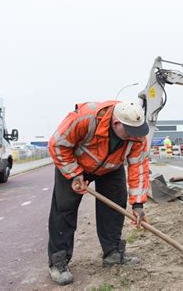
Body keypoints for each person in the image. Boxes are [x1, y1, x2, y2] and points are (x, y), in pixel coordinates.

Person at [47, 101, 150, 285]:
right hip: (75, 164)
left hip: (111, 168)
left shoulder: (136, 133)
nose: (134, 136)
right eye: (129, 132)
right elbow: (57, 145)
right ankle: (58, 262)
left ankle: (113, 253)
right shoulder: (85, 118)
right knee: (64, 210)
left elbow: (139, 167)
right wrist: (74, 174)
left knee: (115, 207)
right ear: (117, 124)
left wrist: (138, 203)